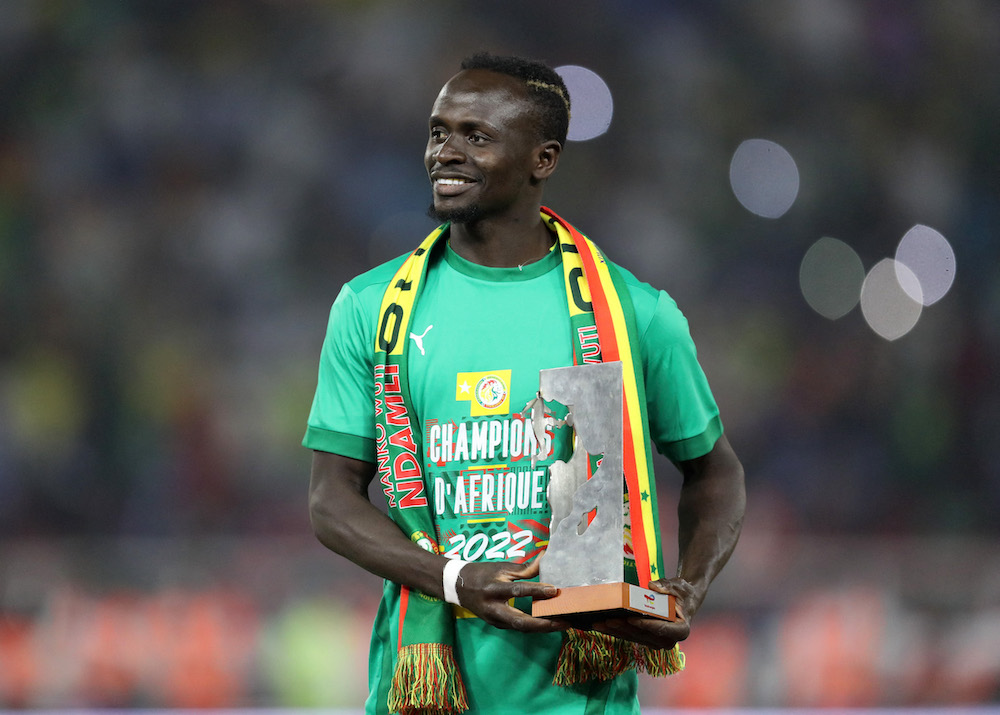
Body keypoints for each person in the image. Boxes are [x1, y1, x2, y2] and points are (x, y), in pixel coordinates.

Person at [304, 52, 745, 715]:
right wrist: (452, 579)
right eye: (437, 131)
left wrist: (689, 585)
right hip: (427, 691)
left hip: (578, 692)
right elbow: (330, 499)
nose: (443, 152)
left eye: (474, 135)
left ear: (543, 159)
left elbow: (715, 473)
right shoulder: (371, 309)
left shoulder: (632, 314)